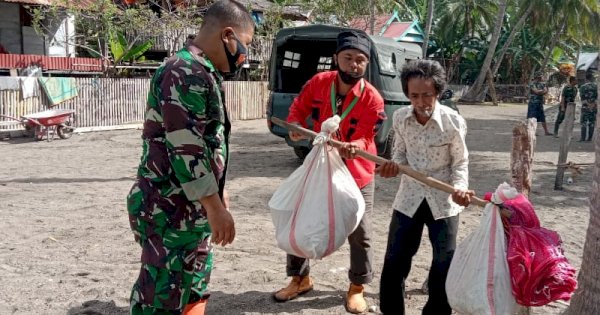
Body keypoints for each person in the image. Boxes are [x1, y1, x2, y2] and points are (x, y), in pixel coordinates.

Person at [126, 1, 254, 314]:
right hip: (169, 207)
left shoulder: (204, 72)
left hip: (190, 207)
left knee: (193, 287)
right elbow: (187, 146)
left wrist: (218, 193)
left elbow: (208, 143)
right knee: (161, 297)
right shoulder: (183, 70)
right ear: (227, 35)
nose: (245, 54)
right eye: (246, 44)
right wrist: (214, 206)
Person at [273, 30, 386, 314]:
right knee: (301, 216)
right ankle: (300, 278)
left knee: (360, 231)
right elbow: (298, 109)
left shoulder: (372, 98)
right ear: (336, 59)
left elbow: (366, 136)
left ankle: (357, 287)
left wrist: (354, 145)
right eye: (348, 58)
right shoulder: (319, 83)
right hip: (319, 169)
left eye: (360, 60)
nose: (354, 65)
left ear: (366, 64)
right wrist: (296, 126)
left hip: (356, 173)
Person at [376, 59, 474, 315]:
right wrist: (393, 167)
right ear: (407, 94)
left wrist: (460, 188)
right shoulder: (400, 118)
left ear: (438, 92)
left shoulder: (453, 122)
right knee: (395, 260)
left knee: (444, 263)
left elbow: (460, 162)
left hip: (444, 201)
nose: (421, 102)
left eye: (427, 95)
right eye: (414, 96)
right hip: (408, 198)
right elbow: (399, 153)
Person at [579, 72, 597, 142]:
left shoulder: (582, 87)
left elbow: (583, 99)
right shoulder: (596, 87)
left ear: (586, 79)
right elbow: (597, 98)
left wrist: (588, 105)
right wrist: (592, 105)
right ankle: (589, 138)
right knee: (592, 123)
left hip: (585, 107)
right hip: (594, 107)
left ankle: (583, 138)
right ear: (592, 78)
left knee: (583, 122)